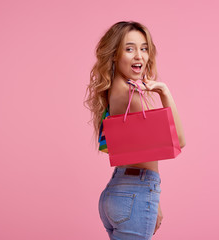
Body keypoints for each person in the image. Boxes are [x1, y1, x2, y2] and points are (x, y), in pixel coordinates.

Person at [84, 21, 186, 240]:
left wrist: (151, 199)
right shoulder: (132, 96)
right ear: (114, 55)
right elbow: (178, 140)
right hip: (134, 194)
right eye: (129, 49)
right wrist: (165, 92)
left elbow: (137, 151)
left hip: (119, 191)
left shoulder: (115, 90)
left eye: (144, 48)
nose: (139, 55)